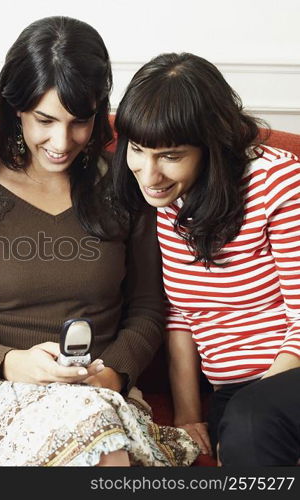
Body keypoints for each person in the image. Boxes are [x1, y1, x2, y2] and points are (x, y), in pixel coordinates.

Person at [0, 16, 198, 466]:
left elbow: (147, 308)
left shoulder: (127, 186)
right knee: (96, 443)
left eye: (79, 122)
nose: (62, 142)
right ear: (16, 109)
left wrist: (114, 374)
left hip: (98, 395)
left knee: (93, 428)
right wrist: (12, 363)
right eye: (45, 120)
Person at [111, 52, 300, 466]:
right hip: (235, 392)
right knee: (243, 432)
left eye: (171, 156)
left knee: (251, 424)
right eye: (138, 149)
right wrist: (189, 414)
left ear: (210, 147)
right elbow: (181, 314)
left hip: (286, 373)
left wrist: (260, 405)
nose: (148, 173)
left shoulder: (277, 183)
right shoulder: (163, 200)